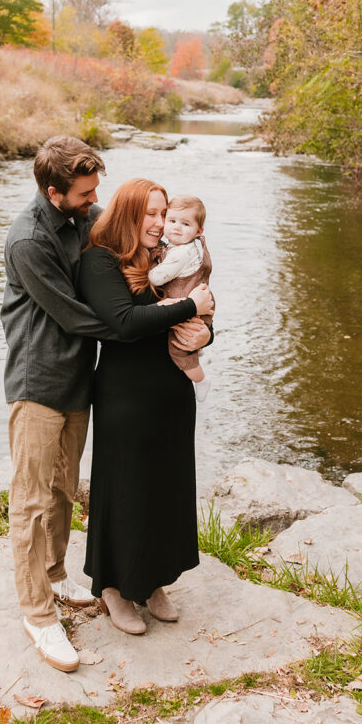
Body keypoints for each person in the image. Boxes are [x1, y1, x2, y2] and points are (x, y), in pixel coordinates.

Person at [78, 178, 214, 635]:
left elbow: (197, 310)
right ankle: (113, 588)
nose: (158, 223)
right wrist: (190, 306)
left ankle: (154, 582)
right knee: (125, 485)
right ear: (128, 215)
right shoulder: (101, 260)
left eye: (163, 213)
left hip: (171, 387)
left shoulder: (166, 257)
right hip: (126, 390)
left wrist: (206, 331)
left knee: (166, 485)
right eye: (149, 214)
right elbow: (125, 322)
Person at [0, 136, 113, 673]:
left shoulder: (81, 217)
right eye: (87, 192)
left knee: (64, 487)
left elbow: (120, 242)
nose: (96, 200)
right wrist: (136, 331)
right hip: (37, 382)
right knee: (30, 500)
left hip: (75, 380)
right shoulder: (28, 240)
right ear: (54, 192)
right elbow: (73, 315)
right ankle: (38, 615)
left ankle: (56, 575)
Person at [148, 195, 213, 402]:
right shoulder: (190, 247)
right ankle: (197, 359)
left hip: (189, 306)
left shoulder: (181, 253)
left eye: (185, 224)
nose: (176, 228)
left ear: (198, 231)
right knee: (188, 343)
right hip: (195, 306)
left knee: (179, 350)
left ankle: (201, 380)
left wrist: (146, 267)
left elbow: (156, 278)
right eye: (172, 221)